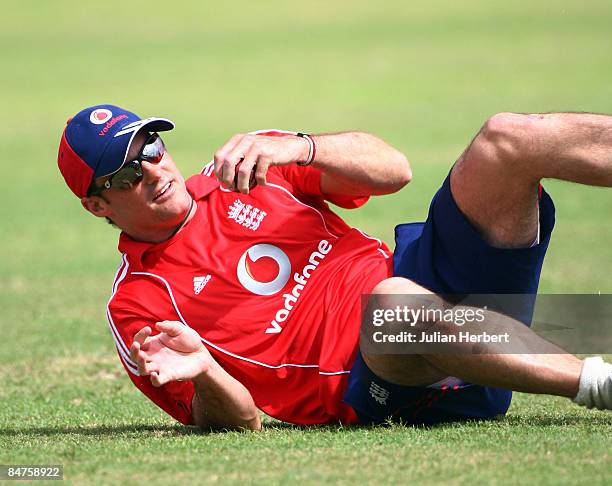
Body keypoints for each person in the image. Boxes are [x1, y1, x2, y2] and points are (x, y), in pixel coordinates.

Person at [57, 104, 612, 431]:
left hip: (432, 283)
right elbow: (242, 421)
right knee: (393, 307)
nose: (152, 173)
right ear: (98, 205)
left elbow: (394, 170)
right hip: (382, 375)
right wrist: (204, 372)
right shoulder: (139, 304)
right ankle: (597, 383)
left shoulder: (249, 167)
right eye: (126, 176)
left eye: (150, 149)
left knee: (505, 138)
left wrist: (302, 147)